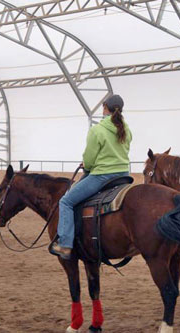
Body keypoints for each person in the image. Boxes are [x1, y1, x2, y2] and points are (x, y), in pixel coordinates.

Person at [50, 94, 132, 259]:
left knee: (66, 201)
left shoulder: (97, 130)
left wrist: (86, 166)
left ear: (105, 107)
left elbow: (89, 158)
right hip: (123, 174)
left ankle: (65, 245)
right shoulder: (126, 129)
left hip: (102, 176)